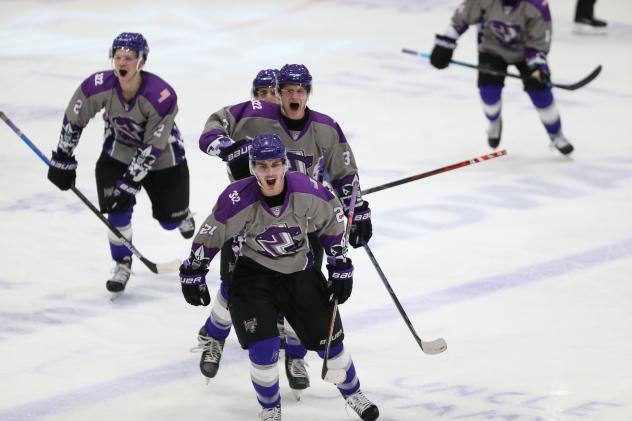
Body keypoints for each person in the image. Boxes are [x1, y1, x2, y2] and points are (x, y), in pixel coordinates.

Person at [192, 64, 373, 395]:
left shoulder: (323, 127)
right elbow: (211, 128)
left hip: (300, 222)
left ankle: (295, 354)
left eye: (295, 90)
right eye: (280, 90)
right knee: (233, 285)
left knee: (300, 291)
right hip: (249, 219)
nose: (282, 97)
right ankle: (213, 336)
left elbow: (344, 172)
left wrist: (356, 207)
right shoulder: (256, 115)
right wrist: (228, 148)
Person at [179, 134, 379, 421]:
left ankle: (354, 394)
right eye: (262, 166)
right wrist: (194, 269)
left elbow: (333, 218)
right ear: (253, 168)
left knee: (331, 344)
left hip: (298, 272)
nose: (269, 172)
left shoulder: (307, 190)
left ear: (285, 165)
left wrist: (339, 263)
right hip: (253, 277)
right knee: (264, 349)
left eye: (275, 165)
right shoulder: (238, 197)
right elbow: (213, 230)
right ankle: (270, 408)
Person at [46, 32, 194, 293]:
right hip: (120, 150)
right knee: (117, 210)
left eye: (128, 57)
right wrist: (62, 157)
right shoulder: (98, 85)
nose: (121, 63)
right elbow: (74, 119)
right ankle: (122, 263)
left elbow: (153, 146)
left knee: (169, 222)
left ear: (142, 62)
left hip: (163, 156)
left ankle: (181, 216)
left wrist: (130, 181)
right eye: (117, 57)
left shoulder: (161, 94)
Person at [429, 0, 574, 155]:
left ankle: (556, 134)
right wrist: (445, 43)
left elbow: (538, 42)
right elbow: (461, 18)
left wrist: (538, 68)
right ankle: (494, 121)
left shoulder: (537, 5)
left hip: (526, 53)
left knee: (540, 93)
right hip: (492, 49)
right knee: (488, 93)